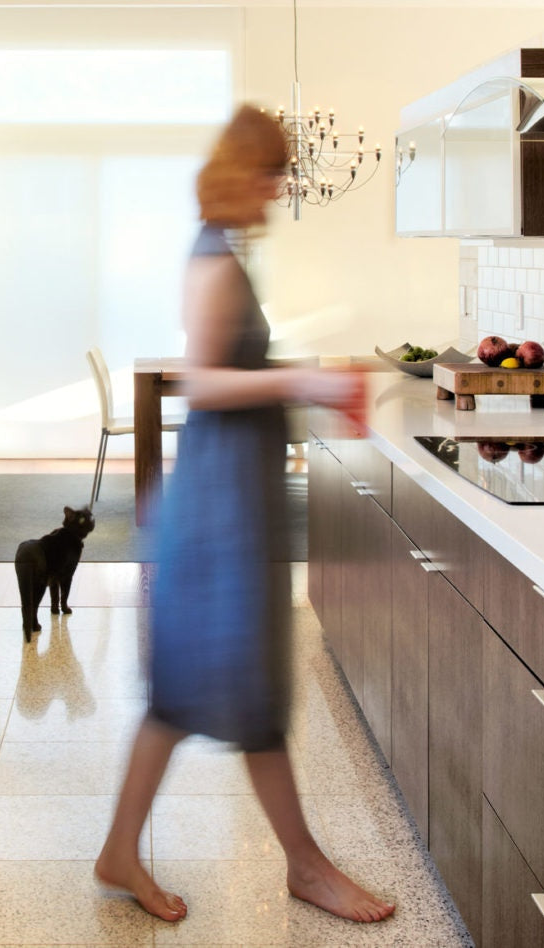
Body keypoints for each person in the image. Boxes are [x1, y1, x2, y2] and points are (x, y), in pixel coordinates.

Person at [94, 104, 395, 925]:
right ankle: (306, 868)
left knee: (191, 688)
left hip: (229, 499)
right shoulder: (216, 261)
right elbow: (204, 381)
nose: (280, 186)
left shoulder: (222, 251)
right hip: (221, 510)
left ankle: (125, 851)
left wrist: (299, 376)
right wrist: (306, 381)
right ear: (245, 172)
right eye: (273, 172)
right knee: (238, 688)